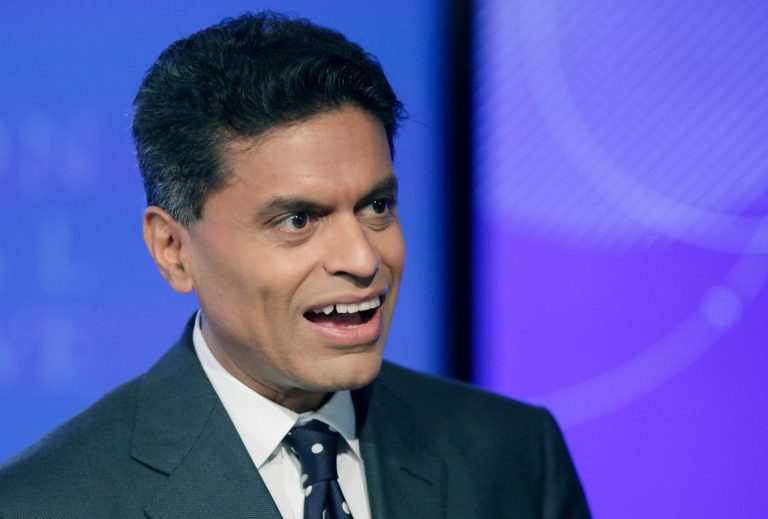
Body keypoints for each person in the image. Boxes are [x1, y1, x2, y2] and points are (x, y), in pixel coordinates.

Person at [0, 11, 590, 518]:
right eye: (298, 221)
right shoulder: (45, 501)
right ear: (172, 250)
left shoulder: (514, 457)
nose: (362, 258)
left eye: (377, 206)